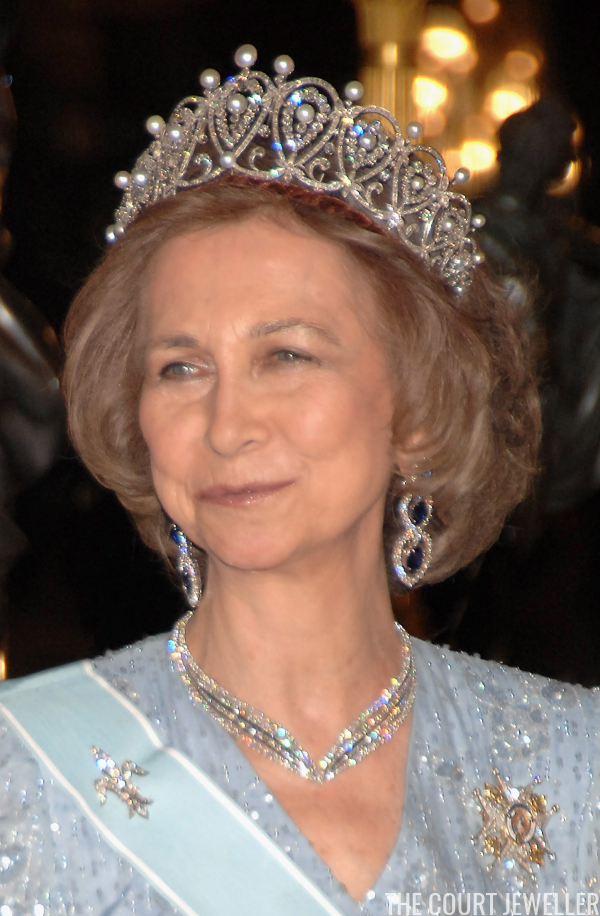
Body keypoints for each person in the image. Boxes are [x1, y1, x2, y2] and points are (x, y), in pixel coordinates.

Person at [0, 46, 599, 916]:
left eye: (285, 355)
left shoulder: (573, 767)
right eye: (179, 368)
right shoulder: (25, 768)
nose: (228, 423)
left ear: (419, 406)